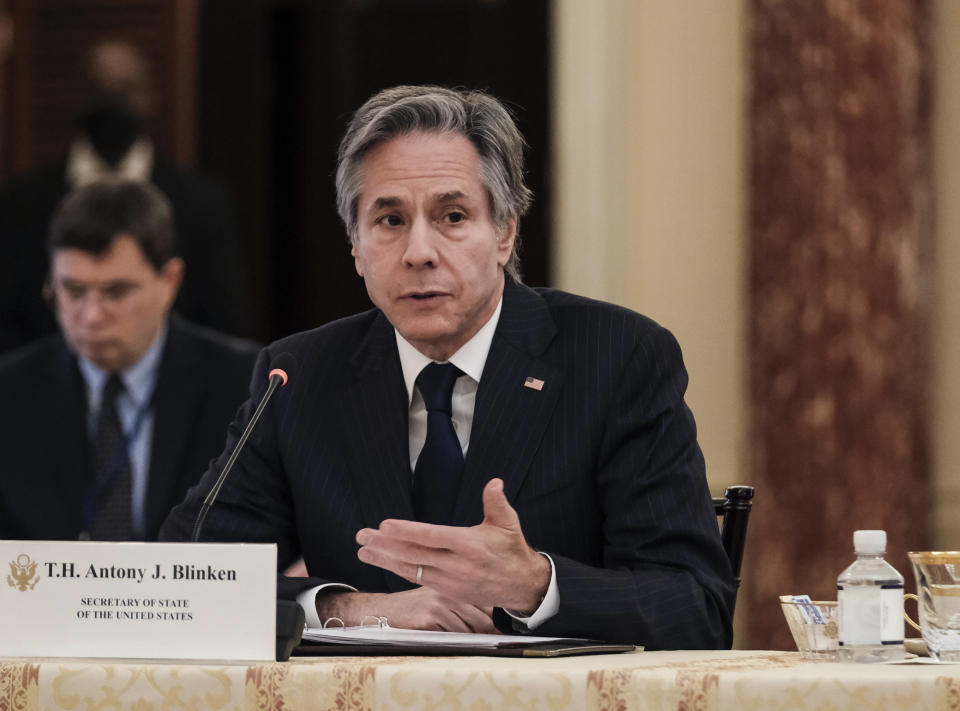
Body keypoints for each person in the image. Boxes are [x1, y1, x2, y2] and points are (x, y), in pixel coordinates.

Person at [161, 85, 734, 649]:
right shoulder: (298, 375)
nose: (418, 252)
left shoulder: (618, 358)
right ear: (355, 245)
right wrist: (353, 608)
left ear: (506, 232)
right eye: (389, 221)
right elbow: (186, 583)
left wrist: (536, 586)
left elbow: (697, 607)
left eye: (453, 216)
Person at [0, 179, 258, 541]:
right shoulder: (10, 393)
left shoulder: (245, 388)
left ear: (170, 281)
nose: (91, 316)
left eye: (116, 292)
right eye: (73, 291)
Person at [0, 40, 253, 354]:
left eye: (123, 92)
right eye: (99, 90)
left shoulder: (202, 203)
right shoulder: (21, 203)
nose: (94, 317)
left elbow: (225, 320)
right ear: (74, 96)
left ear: (151, 96)